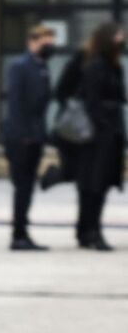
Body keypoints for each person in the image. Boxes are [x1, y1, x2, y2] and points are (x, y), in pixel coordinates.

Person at [62, 21, 124, 251]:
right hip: (96, 137)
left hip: (108, 134)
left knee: (98, 185)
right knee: (93, 185)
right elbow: (92, 101)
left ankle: (87, 230)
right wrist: (104, 126)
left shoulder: (112, 66)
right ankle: (91, 231)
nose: (121, 41)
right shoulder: (95, 66)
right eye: (118, 37)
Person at [0, 25, 56, 250]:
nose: (49, 46)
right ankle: (18, 235)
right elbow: (15, 103)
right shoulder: (20, 66)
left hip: (35, 136)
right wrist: (23, 134)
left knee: (27, 187)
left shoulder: (42, 67)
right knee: (22, 187)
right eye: (45, 42)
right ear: (32, 42)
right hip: (21, 138)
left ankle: (22, 232)